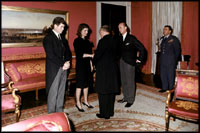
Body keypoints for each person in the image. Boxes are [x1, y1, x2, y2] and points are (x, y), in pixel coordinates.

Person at [43, 17, 72, 114]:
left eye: (64, 27)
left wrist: (67, 62)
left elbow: (68, 52)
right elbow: (51, 55)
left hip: (64, 68)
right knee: (53, 92)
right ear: (55, 26)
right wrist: (62, 64)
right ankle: (51, 114)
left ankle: (59, 112)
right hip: (54, 69)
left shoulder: (63, 38)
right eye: (61, 27)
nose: (63, 29)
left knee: (61, 91)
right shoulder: (48, 38)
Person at [93, 25, 120, 119]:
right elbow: (117, 55)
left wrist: (93, 62)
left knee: (103, 92)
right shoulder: (115, 40)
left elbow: (97, 55)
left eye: (100, 32)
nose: (99, 33)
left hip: (103, 69)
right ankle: (110, 112)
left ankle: (104, 114)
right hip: (113, 68)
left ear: (103, 31)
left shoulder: (102, 41)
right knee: (111, 91)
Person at [117, 22, 145, 107]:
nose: (119, 29)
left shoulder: (131, 38)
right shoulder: (119, 39)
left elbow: (142, 48)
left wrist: (139, 59)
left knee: (130, 81)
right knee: (123, 80)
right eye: (118, 28)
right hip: (121, 62)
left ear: (126, 28)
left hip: (130, 63)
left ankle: (130, 99)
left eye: (121, 27)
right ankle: (125, 97)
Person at [73, 23, 94, 112]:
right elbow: (80, 55)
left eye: (87, 31)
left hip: (87, 65)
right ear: (80, 31)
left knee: (87, 84)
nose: (86, 32)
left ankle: (85, 101)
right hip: (81, 65)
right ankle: (78, 103)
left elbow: (89, 57)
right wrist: (91, 55)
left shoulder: (88, 42)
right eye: (85, 30)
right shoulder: (77, 41)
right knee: (80, 85)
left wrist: (91, 65)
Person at [159, 25, 181, 93]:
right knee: (163, 74)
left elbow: (178, 50)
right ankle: (164, 88)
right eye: (163, 29)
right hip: (163, 60)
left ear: (170, 31)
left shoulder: (174, 39)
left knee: (170, 75)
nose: (164, 30)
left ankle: (171, 90)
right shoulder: (162, 38)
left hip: (171, 61)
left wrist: (175, 60)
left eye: (165, 29)